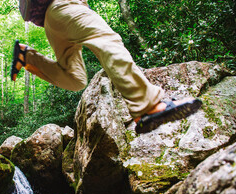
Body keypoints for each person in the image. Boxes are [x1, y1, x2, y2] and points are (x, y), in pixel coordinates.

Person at [11, 0, 202, 134]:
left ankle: (26, 56)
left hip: (52, 21)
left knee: (75, 79)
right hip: (65, 6)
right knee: (107, 41)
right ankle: (148, 106)